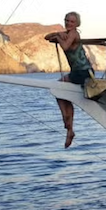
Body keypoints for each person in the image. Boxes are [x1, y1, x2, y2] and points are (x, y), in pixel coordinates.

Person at [44, 11, 93, 148]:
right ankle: (69, 127)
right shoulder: (66, 33)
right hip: (77, 72)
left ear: (77, 24)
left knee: (58, 88)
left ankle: (67, 122)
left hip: (83, 72)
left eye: (72, 21)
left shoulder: (74, 34)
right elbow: (46, 37)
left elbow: (65, 46)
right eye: (67, 20)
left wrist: (58, 38)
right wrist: (58, 34)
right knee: (63, 93)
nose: (69, 23)